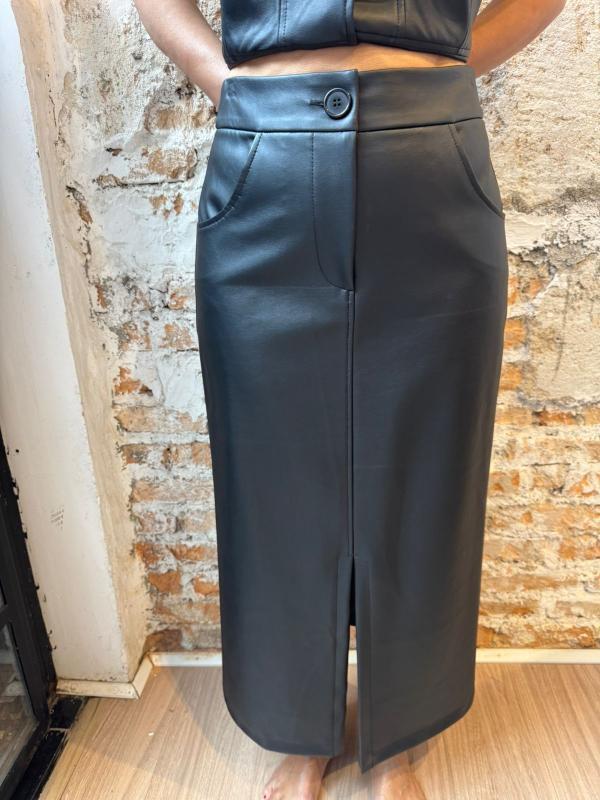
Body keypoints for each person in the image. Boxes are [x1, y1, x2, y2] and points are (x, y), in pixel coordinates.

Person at [134, 2, 567, 798]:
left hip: (431, 163)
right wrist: (223, 81)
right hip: (265, 162)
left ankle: (399, 736)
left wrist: (444, 76)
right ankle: (304, 730)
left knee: (427, 474)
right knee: (274, 481)